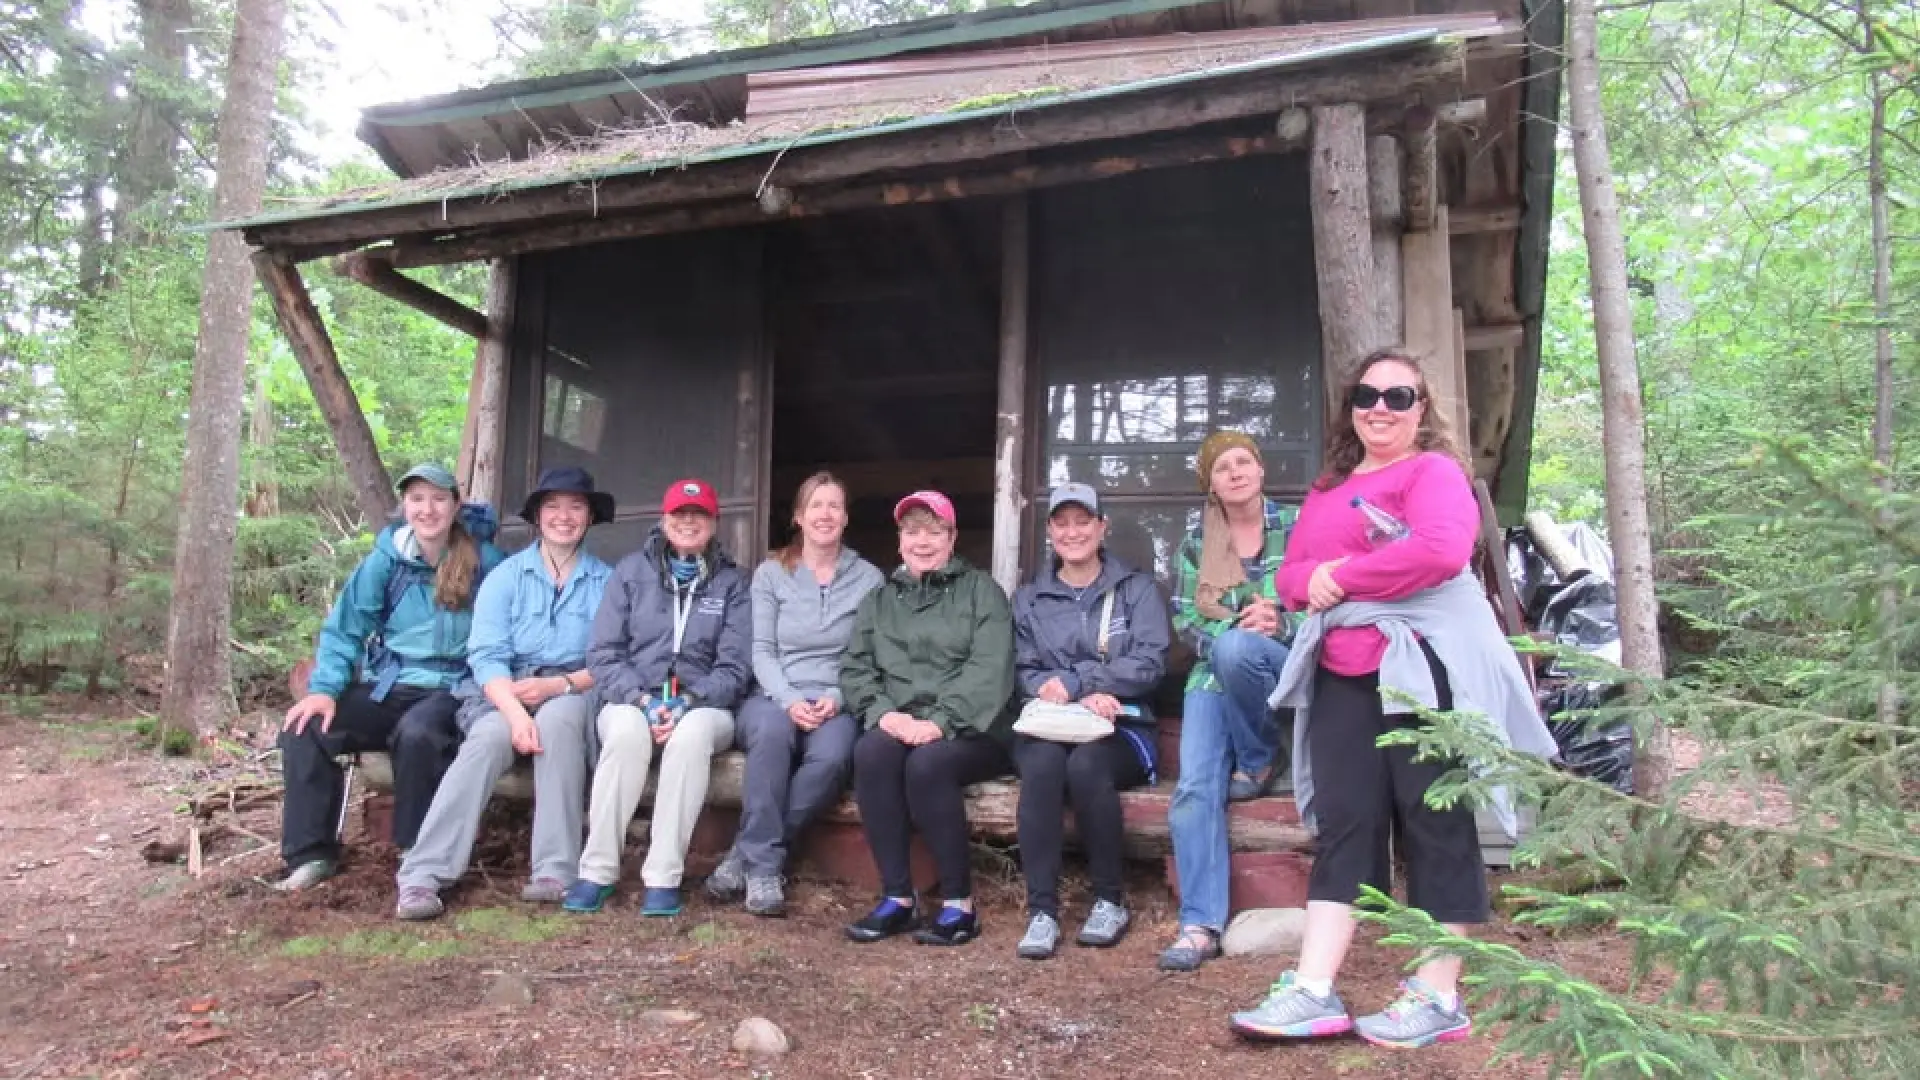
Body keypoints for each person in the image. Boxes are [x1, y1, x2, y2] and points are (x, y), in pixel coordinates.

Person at [1229, 348, 1557, 1048]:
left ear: (1421, 409)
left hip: (1420, 669)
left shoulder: (1434, 473)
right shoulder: (1328, 487)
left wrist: (1341, 578)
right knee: (1346, 824)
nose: (1381, 407)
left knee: (1434, 820)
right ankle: (1314, 989)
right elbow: (1289, 577)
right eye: (1368, 395)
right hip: (1343, 670)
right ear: (1351, 406)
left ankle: (1439, 995)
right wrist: (1313, 582)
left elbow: (1441, 551)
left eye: (1399, 397)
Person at [392, 467, 616, 920]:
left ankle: (555, 869)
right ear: (537, 516)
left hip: (574, 688)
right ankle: (423, 874)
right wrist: (515, 714)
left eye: (575, 507)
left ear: (590, 517)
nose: (564, 517)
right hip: (505, 687)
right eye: (553, 507)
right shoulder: (507, 576)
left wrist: (559, 685)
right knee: (487, 738)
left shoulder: (608, 583)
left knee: (558, 722)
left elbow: (613, 658)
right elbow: (486, 654)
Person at [277, 463, 504, 891]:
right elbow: (345, 629)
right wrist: (323, 691)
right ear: (405, 506)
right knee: (306, 726)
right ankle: (311, 854)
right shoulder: (386, 562)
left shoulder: (486, 562)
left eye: (438, 499)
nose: (428, 509)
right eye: (417, 499)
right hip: (390, 683)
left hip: (453, 688)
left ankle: (417, 855)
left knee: (418, 734)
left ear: (455, 506)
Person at [563, 478, 752, 917]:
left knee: (690, 737)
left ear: (713, 523)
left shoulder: (731, 583)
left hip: (705, 705)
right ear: (664, 520)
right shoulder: (631, 572)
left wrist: (689, 701)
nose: (689, 523)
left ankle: (663, 876)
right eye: (680, 515)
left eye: (698, 515)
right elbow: (604, 654)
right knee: (627, 732)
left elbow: (735, 667)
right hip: (634, 697)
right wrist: (642, 700)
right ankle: (597, 870)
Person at [840, 491, 1014, 947]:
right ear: (899, 541)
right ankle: (898, 899)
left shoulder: (982, 592)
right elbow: (855, 668)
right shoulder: (879, 600)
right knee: (871, 751)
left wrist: (939, 722)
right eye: (912, 531)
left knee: (928, 763)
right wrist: (884, 715)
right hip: (902, 721)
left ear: (952, 538)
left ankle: (959, 904)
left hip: (974, 728)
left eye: (934, 531)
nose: (923, 541)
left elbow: (989, 670)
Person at [706, 472, 883, 918]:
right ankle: (766, 870)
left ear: (845, 518)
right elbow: (761, 651)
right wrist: (787, 700)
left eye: (834, 506)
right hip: (773, 693)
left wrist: (838, 697)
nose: (825, 514)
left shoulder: (869, 579)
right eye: (816, 505)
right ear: (799, 517)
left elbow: (870, 654)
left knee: (833, 758)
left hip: (836, 698)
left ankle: (746, 854)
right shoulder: (771, 573)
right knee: (771, 737)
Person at [1009, 483, 1172, 960]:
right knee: (1040, 767)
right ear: (1050, 531)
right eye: (1062, 522)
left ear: (1103, 527)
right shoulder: (1030, 598)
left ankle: (1109, 899)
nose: (1073, 531)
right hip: (1050, 723)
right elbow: (1023, 670)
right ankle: (1042, 911)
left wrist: (1082, 684)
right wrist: (1064, 689)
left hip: (1124, 726)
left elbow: (1149, 663)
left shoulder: (1135, 590)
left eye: (1084, 521)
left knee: (1085, 767)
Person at [1159, 431, 1300, 971]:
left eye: (1244, 462)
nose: (1235, 472)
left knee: (1244, 647)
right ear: (1210, 485)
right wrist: (1229, 642)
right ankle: (1199, 924)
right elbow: (1185, 617)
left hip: (1289, 664)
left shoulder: (1298, 525)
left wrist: (1281, 622)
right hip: (1214, 675)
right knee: (1194, 789)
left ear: (1261, 471)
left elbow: (1331, 596)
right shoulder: (1198, 542)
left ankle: (1260, 756)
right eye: (1222, 467)